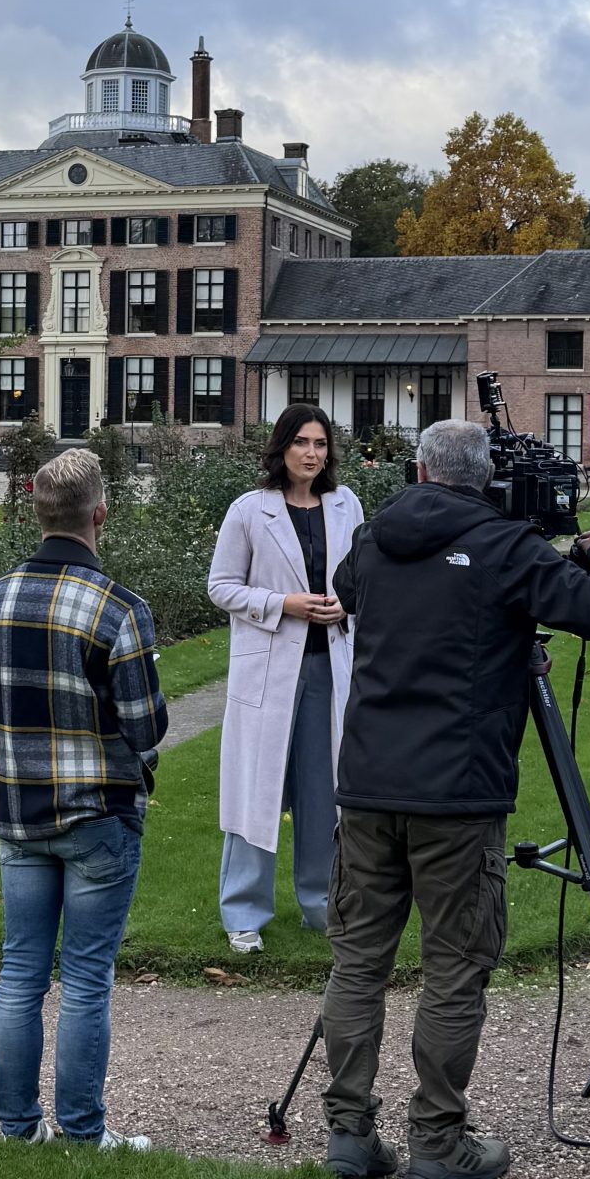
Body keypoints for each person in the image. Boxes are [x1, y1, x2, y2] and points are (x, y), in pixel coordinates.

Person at [319, 417, 590, 1179]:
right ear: (486, 478)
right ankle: (438, 1140)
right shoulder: (504, 546)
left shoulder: (373, 538)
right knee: (456, 967)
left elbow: (349, 593)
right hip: (456, 793)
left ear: (421, 471)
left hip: (368, 782)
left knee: (358, 961)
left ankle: (349, 1132)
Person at [0, 445, 169, 1149]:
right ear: (99, 515)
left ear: (36, 510)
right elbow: (146, 725)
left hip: (21, 813)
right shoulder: (120, 610)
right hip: (98, 814)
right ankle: (83, 1132)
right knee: (84, 979)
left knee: (21, 972)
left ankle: (19, 1128)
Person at [206, 403, 362, 953]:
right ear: (282, 448)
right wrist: (282, 604)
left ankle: (321, 906)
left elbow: (361, 576)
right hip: (270, 669)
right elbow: (221, 586)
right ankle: (243, 913)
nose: (311, 454)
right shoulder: (250, 510)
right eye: (301, 442)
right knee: (256, 789)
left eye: (320, 444)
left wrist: (346, 604)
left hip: (329, 667)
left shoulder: (346, 505)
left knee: (324, 792)